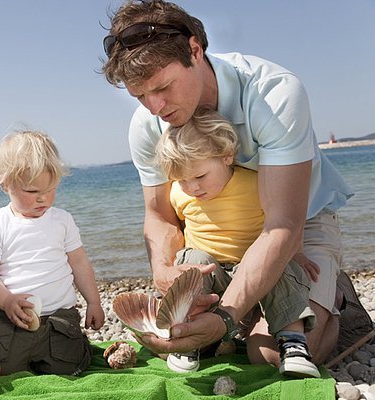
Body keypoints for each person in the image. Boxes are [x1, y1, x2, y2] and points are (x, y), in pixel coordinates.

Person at [101, 0, 353, 367]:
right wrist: (164, 271)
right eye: (140, 96)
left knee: (267, 354)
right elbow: (160, 216)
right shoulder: (146, 124)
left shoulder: (273, 93)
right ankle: (253, 307)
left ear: (195, 50)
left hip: (297, 224)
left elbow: (282, 224)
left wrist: (225, 317)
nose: (154, 107)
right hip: (214, 234)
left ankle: (337, 298)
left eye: (164, 87)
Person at [156, 108, 319, 378]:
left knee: (278, 262)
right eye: (182, 180)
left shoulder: (255, 183)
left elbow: (283, 224)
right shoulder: (179, 194)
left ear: (227, 156)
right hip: (214, 280)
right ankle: (190, 339)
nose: (192, 188)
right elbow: (176, 231)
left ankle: (293, 343)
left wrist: (297, 253)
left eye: (199, 177)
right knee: (192, 261)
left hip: (255, 277)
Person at [0, 130, 105, 376]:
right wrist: (6, 301)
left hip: (59, 320)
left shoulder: (62, 220)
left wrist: (94, 302)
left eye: (51, 188)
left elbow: (79, 263)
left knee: (71, 366)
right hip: (13, 317)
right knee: (1, 367)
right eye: (32, 191)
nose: (43, 198)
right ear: (5, 184)